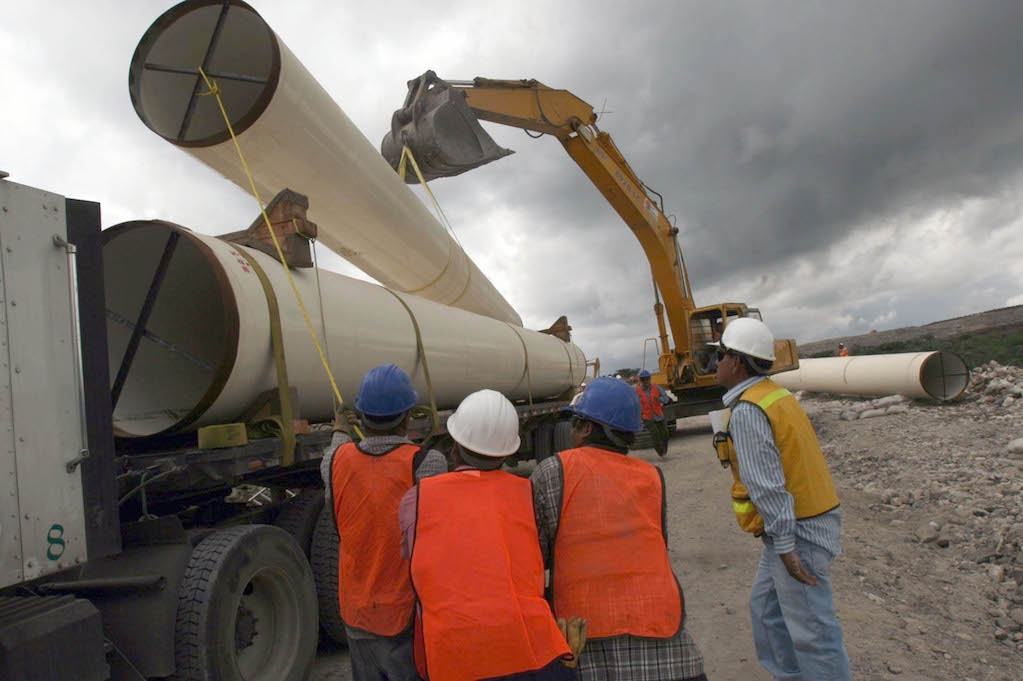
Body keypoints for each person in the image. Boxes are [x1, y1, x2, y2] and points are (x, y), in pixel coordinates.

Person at [531, 377, 708, 681]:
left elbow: (537, 556)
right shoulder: (652, 475)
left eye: (576, 424)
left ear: (586, 428)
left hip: (587, 631)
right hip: (664, 635)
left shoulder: (554, 470)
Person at [399, 389, 581, 681]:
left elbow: (414, 561)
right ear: (509, 452)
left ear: (454, 444)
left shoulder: (417, 500)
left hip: (453, 655)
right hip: (532, 650)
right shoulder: (526, 493)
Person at [711, 318, 851, 680]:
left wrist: (787, 546)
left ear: (737, 362)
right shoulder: (774, 395)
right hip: (798, 524)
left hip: (797, 530)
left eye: (722, 355)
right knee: (766, 610)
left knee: (813, 633)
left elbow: (767, 486)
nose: (717, 363)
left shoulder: (749, 411)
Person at [320, 363, 447, 681]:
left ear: (361, 417)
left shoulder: (334, 462)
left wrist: (339, 427)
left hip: (356, 610)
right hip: (405, 614)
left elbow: (337, 448)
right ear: (407, 418)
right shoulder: (427, 463)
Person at [636, 369, 671, 457]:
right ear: (640, 380)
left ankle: (664, 449)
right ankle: (661, 453)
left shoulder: (657, 388)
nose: (645, 382)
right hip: (647, 417)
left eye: (646, 379)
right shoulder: (637, 391)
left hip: (659, 415)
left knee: (665, 433)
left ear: (650, 379)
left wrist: (660, 399)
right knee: (655, 434)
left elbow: (666, 400)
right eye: (643, 380)